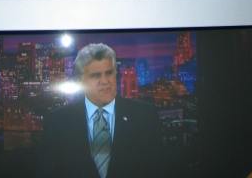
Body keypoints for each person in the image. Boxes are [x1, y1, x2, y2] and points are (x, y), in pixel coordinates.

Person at [41, 42, 164, 178]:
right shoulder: (57, 121)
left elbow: (157, 169)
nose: (105, 81)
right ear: (81, 80)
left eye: (109, 73)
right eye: (96, 75)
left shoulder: (145, 116)